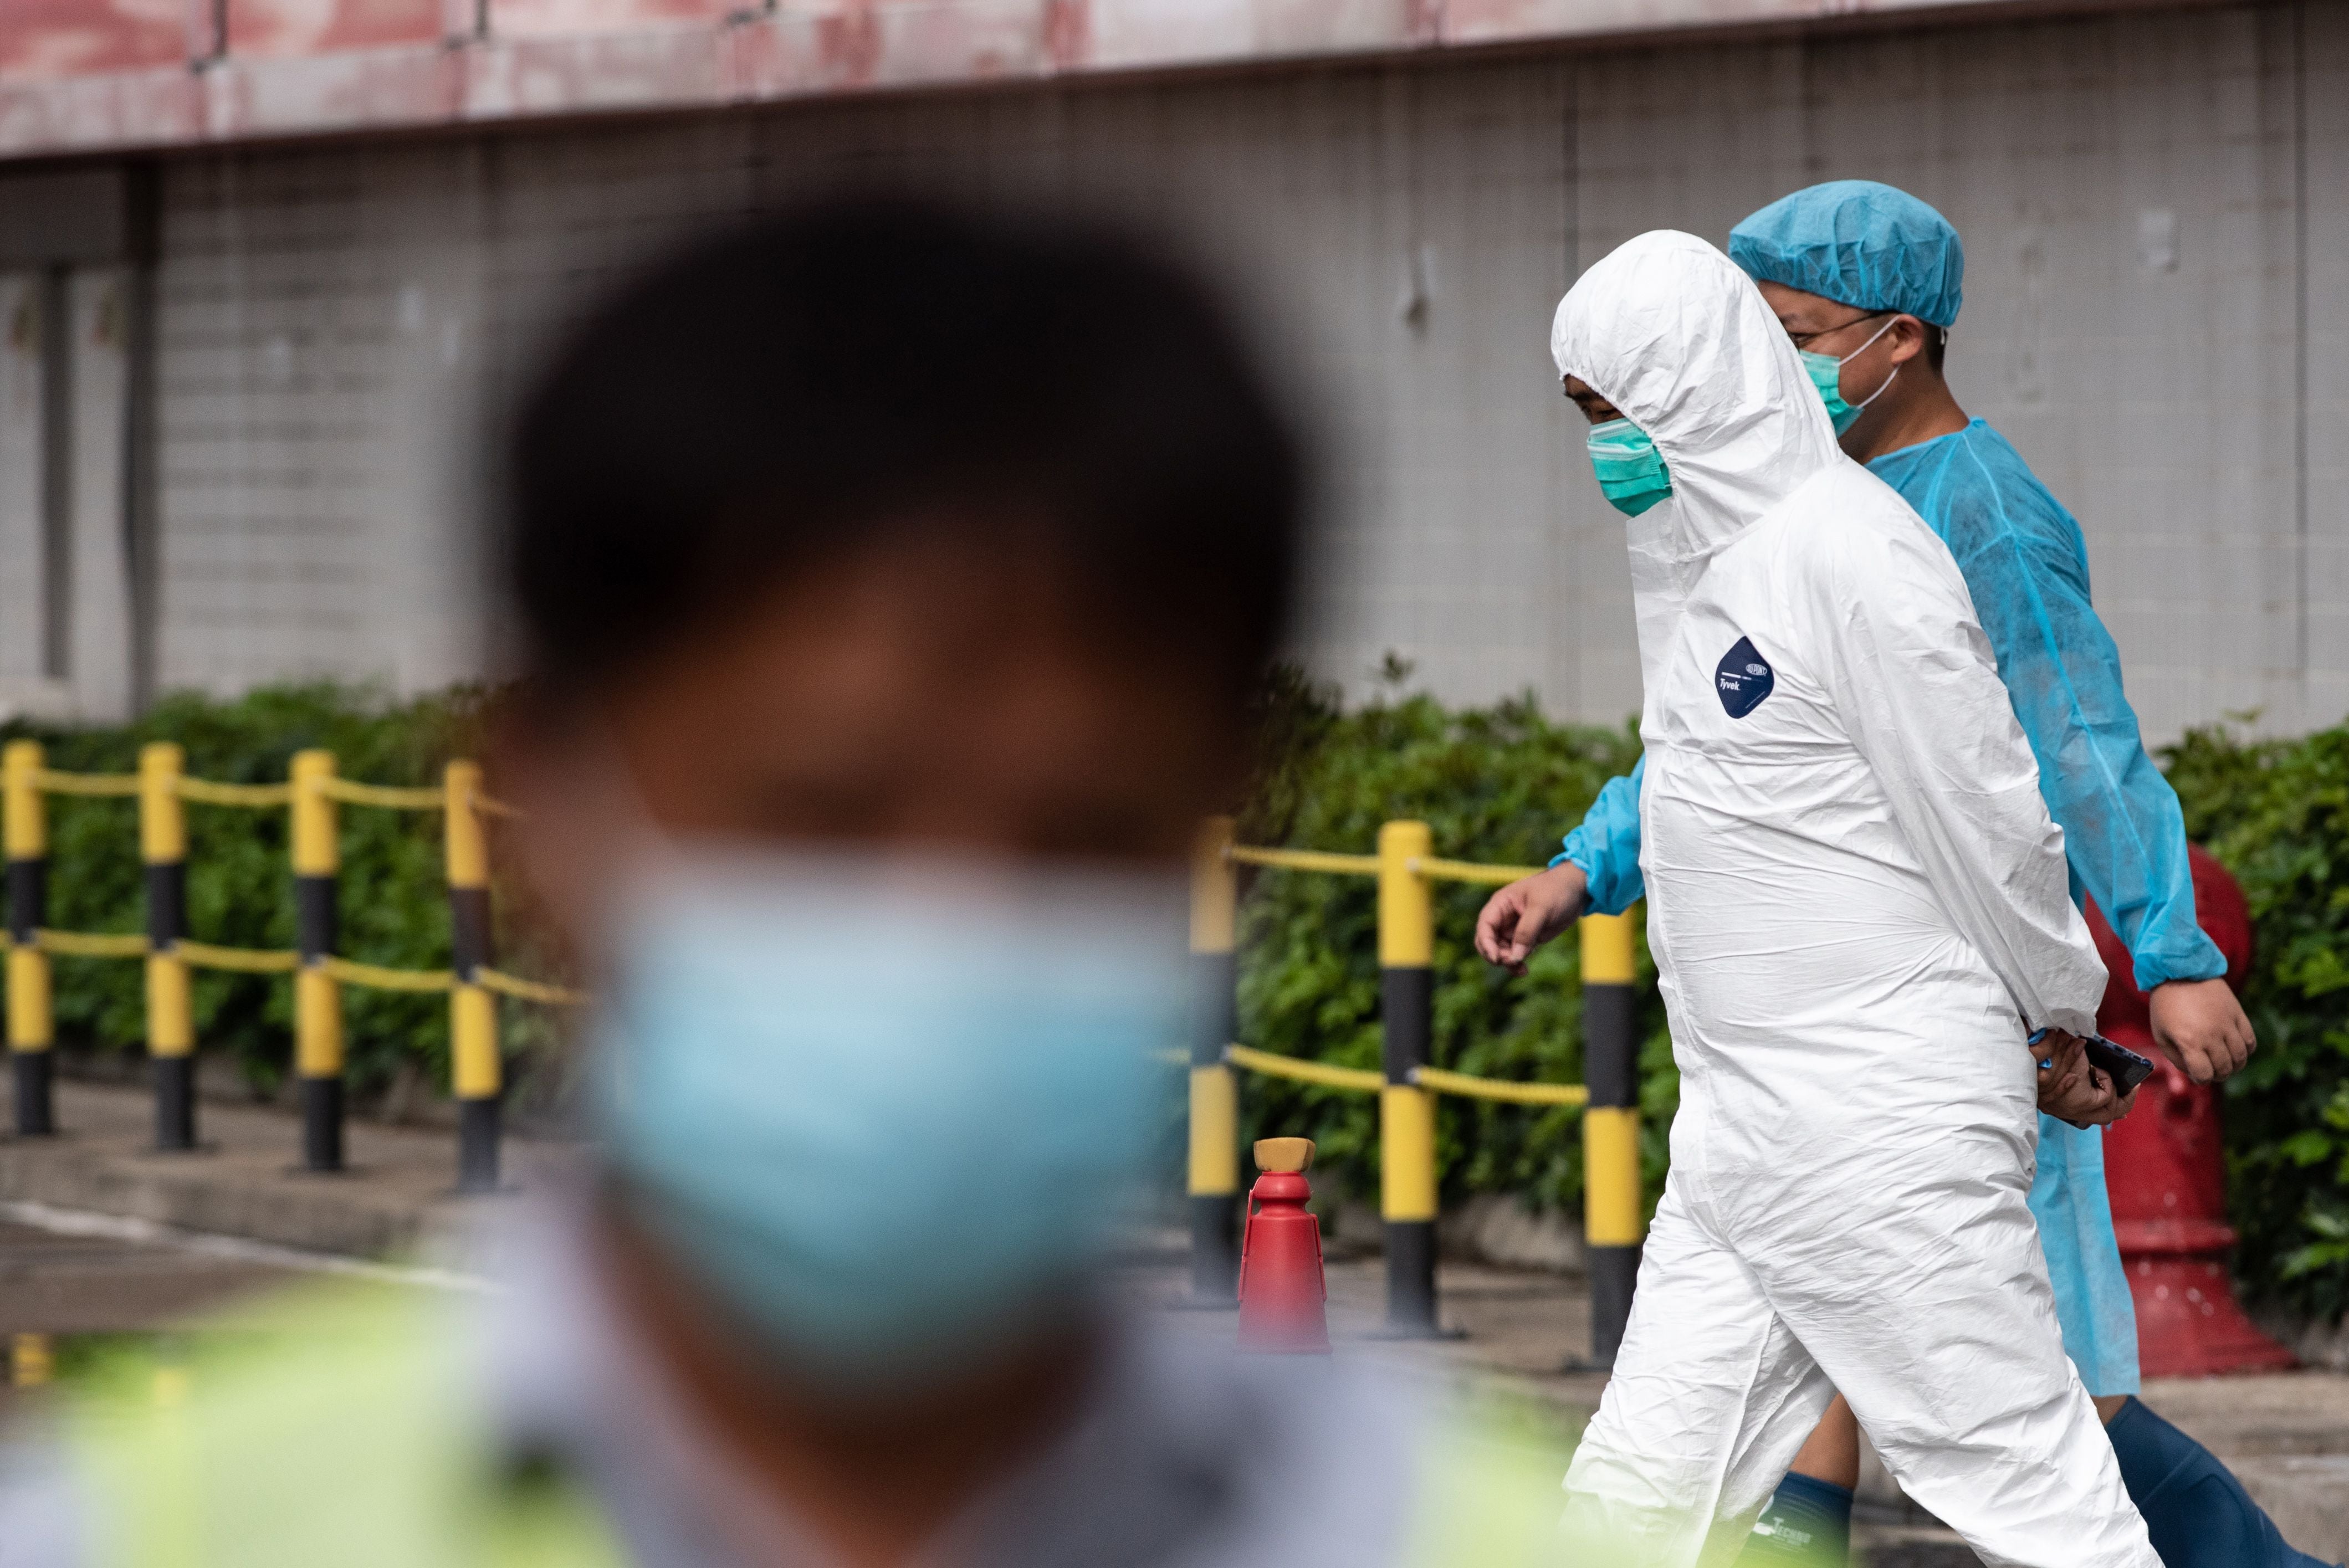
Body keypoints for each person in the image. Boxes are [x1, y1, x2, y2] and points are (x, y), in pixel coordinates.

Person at [0, 199, 1565, 1568]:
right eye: (815, 819)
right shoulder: (140, 1537)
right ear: (527, 809)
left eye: (1075, 836)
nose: (946, 926)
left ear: (1229, 818)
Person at [1480, 180, 2320, 1568]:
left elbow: (2023, 785)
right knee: (1644, 1475)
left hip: (1879, 1116)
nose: (1606, 451)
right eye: (1585, 418)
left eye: (1616, 411)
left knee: (2033, 1474)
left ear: (1895, 337)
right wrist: (1586, 862)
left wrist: (2106, 985)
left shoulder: (1875, 547)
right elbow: (1710, 786)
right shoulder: (1721, 565)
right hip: (1750, 1120)